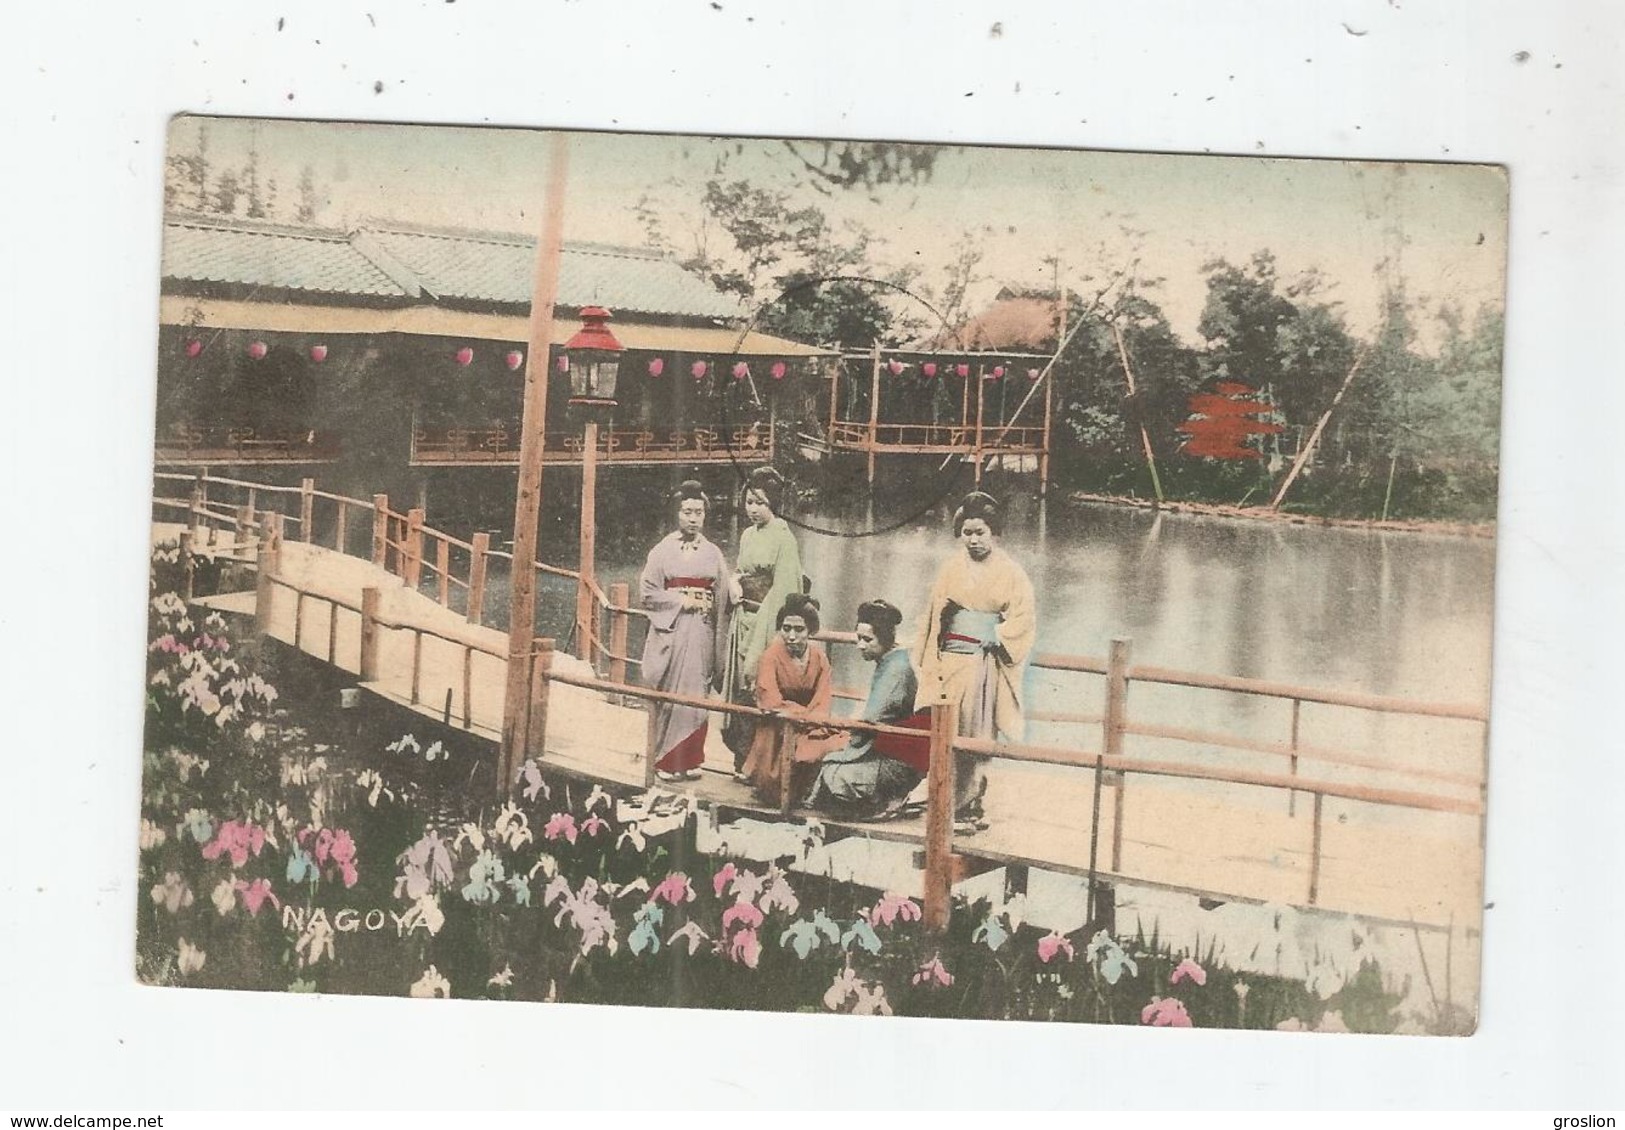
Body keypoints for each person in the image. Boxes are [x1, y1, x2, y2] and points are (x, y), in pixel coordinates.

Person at [910, 491, 1036, 828]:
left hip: (982, 661)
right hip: (950, 660)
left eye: (980, 532)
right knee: (947, 732)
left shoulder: (1011, 572)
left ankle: (969, 806)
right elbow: (934, 614)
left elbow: (1023, 618)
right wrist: (928, 654)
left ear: (994, 532)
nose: (974, 540)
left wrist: (996, 634)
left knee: (975, 734)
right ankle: (946, 806)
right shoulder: (951, 569)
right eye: (967, 533)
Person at [638, 480, 733, 781]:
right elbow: (648, 593)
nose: (693, 518)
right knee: (673, 690)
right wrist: (681, 600)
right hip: (674, 628)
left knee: (697, 688)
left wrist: (737, 587)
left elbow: (724, 594)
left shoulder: (713, 553)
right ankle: (666, 760)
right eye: (688, 511)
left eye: (699, 512)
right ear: (677, 514)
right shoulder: (661, 550)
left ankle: (692, 759)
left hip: (703, 629)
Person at [806, 600, 925, 816]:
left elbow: (874, 717)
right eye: (858, 638)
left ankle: (888, 801)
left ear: (886, 638)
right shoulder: (891, 660)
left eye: (868, 639)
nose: (860, 645)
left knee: (832, 770)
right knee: (827, 759)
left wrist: (846, 730)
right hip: (887, 744)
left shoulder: (897, 669)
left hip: (898, 758)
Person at [721, 466, 804, 775]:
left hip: (765, 620)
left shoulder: (785, 539)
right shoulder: (746, 535)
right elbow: (742, 571)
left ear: (774, 504)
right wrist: (734, 582)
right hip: (743, 616)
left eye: (761, 503)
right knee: (740, 693)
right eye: (749, 502)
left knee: (759, 686)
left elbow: (784, 588)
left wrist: (765, 630)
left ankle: (761, 767)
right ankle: (740, 760)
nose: (753, 509)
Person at [739, 593, 845, 803]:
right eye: (786, 628)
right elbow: (770, 700)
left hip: (810, 722)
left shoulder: (819, 657)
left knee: (839, 741)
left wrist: (812, 718)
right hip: (778, 725)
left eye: (799, 629)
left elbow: (823, 697)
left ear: (810, 631)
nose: (792, 636)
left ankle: (813, 791)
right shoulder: (770, 656)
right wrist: (802, 715)